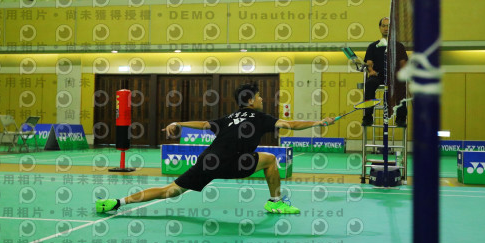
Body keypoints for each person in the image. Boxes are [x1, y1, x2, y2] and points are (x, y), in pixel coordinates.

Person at [96, 82, 335, 215]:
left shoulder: (229, 118)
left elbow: (203, 124)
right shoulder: (260, 117)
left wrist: (178, 123)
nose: (262, 99)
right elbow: (291, 125)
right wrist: (319, 122)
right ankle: (275, 201)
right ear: (250, 101)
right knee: (270, 159)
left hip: (208, 161)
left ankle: (117, 202)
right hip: (233, 163)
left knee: (170, 191)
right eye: (259, 96)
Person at [362, 17, 408, 128]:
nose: (386, 28)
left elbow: (403, 64)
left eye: (388, 26)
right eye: (383, 26)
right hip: (378, 76)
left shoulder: (399, 46)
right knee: (369, 83)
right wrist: (371, 70)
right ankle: (368, 117)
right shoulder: (373, 46)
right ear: (380, 28)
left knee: (401, 83)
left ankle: (401, 119)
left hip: (393, 76)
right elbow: (369, 62)